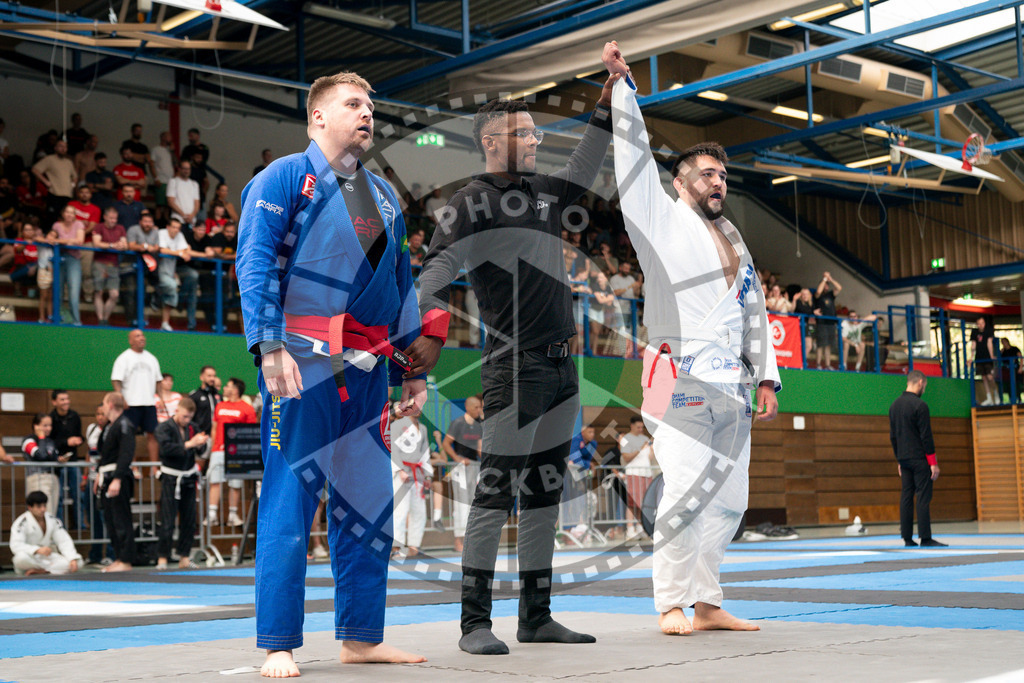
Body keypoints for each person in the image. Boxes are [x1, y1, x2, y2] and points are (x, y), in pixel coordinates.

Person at [404, 44, 621, 656]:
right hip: (514, 366)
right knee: (496, 492)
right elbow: (434, 271)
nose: (533, 137)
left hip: (562, 365)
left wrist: (605, 99)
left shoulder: (547, 192)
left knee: (546, 494)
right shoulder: (469, 204)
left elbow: (586, 160)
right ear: (491, 141)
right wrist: (429, 331)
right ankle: (474, 622)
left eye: (533, 129)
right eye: (522, 132)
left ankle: (536, 615)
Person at [235, 70, 427, 676]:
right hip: (302, 363)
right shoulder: (286, 177)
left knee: (369, 506)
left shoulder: (387, 197)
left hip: (369, 368)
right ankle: (278, 641)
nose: (367, 113)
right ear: (318, 117)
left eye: (370, 104)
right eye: (353, 104)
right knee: (291, 500)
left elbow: (400, 286)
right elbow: (257, 260)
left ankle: (361, 636)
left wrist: (410, 367)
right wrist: (267, 345)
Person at [607, 41, 780, 636]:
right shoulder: (658, 219)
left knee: (730, 497)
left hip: (731, 381)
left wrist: (766, 375)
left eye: (724, 174)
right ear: (679, 181)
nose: (719, 181)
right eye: (708, 172)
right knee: (683, 488)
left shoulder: (735, 243)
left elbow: (753, 309)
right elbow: (632, 162)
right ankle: (670, 603)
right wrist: (625, 95)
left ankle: (708, 600)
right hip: (674, 374)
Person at [889, 370, 946, 548]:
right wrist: (933, 463)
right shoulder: (920, 406)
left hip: (904, 458)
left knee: (906, 495)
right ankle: (925, 538)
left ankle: (907, 538)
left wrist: (899, 459)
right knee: (922, 496)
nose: (924, 389)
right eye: (925, 386)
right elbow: (926, 437)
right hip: (919, 458)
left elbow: (893, 436)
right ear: (920, 382)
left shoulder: (894, 406)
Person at [155, 396, 208, 570]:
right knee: (168, 519)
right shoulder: (164, 427)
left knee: (189, 519)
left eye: (190, 417)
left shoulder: (193, 427)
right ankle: (162, 557)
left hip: (189, 477)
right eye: (184, 416)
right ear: (177, 410)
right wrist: (189, 444)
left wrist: (201, 444)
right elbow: (166, 449)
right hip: (171, 477)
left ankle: (184, 556)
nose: (187, 421)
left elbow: (201, 450)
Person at [96, 392, 137, 572]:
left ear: (111, 404)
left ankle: (126, 560)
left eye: (104, 404)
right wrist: (100, 475)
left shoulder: (125, 425)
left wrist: (118, 479)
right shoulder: (110, 426)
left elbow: (126, 454)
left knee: (121, 519)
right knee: (111, 520)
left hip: (118, 477)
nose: (103, 407)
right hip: (107, 475)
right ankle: (119, 558)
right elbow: (105, 456)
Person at [208, 377, 256, 527]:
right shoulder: (220, 406)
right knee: (215, 481)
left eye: (228, 386)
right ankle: (211, 514)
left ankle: (233, 515)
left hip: (236, 453)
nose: (224, 388)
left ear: (235, 390)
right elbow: (214, 428)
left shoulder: (247, 409)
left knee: (235, 484)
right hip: (218, 450)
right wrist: (213, 448)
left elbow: (250, 433)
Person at [111, 329, 162, 461]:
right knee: (129, 435)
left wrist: (160, 398)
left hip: (149, 403)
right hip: (131, 404)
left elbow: (158, 380)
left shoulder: (152, 358)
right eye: (137, 336)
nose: (142, 338)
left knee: (153, 435)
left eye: (143, 335)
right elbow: (116, 379)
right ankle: (131, 465)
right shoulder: (124, 358)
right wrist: (121, 397)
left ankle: (154, 467)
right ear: (130, 340)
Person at [442, 396, 484, 552]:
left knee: (473, 503)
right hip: (459, 468)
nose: (479, 410)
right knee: (461, 504)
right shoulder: (458, 423)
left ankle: (471, 539)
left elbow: (479, 448)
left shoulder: (479, 426)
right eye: (476, 408)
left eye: (480, 407)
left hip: (474, 467)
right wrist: (457, 458)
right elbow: (446, 444)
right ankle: (458, 540)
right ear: (468, 407)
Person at [391, 410, 433, 560]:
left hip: (418, 473)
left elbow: (425, 452)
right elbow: (393, 449)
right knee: (400, 511)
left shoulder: (422, 428)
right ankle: (397, 547)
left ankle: (414, 546)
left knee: (419, 511)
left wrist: (428, 474)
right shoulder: (397, 425)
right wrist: (400, 469)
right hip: (402, 474)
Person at [10, 491, 83, 575]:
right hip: (30, 558)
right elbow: (16, 545)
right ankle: (50, 570)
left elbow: (63, 540)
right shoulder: (21, 523)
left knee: (78, 562)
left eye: (44, 506)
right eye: (39, 506)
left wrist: (71, 558)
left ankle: (42, 571)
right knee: (20, 558)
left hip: (46, 558)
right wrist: (37, 550)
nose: (43, 509)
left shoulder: (52, 519)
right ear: (30, 507)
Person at [156, 218, 200, 331]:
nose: (176, 230)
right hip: (157, 270)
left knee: (191, 276)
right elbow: (162, 250)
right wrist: (179, 253)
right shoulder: (161, 233)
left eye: (178, 228)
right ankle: (157, 301)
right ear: (168, 227)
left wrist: (183, 251)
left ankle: (166, 319)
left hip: (171, 271)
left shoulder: (179, 235)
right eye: (174, 227)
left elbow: (186, 250)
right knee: (171, 286)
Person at [49, 389, 84, 526]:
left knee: (78, 495)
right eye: (62, 399)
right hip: (57, 462)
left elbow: (79, 435)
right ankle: (59, 525)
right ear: (54, 402)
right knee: (58, 497)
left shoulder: (74, 416)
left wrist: (79, 440)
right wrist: (66, 442)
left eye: (67, 399)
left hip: (73, 461)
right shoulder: (51, 418)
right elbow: (50, 441)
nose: (66, 402)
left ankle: (80, 525)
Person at [84, 403, 114, 565]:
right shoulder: (91, 429)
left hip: (106, 479)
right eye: (98, 414)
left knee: (107, 518)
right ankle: (94, 553)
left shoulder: (112, 430)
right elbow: (88, 454)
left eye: (103, 414)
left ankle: (110, 554)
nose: (100, 417)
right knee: (93, 518)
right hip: (92, 479)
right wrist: (85, 476)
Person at [48, 204, 86, 325]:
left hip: (73, 259)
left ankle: (76, 321)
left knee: (73, 292)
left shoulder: (79, 224)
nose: (69, 215)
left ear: (75, 216)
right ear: (63, 214)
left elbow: (79, 241)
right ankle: (58, 319)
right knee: (57, 291)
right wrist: (67, 242)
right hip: (58, 259)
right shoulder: (56, 225)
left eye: (72, 213)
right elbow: (50, 239)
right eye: (67, 212)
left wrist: (59, 241)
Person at [22, 413, 67, 515]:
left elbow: (53, 457)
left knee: (51, 514)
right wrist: (41, 438)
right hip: (38, 478)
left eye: (50, 425)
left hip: (52, 478)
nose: (49, 428)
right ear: (36, 426)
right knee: (42, 513)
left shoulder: (50, 441)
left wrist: (60, 460)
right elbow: (40, 456)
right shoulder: (29, 440)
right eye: (45, 425)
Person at [91, 206, 127, 325]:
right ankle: (100, 319)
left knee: (114, 294)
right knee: (98, 292)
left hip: (114, 264)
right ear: (105, 217)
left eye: (115, 218)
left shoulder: (120, 228)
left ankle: (105, 319)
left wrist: (122, 246)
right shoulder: (99, 227)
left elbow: (125, 244)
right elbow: (96, 243)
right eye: (111, 218)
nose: (113, 221)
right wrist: (112, 245)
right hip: (99, 263)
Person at [618, 416, 651, 538]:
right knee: (633, 503)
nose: (640, 429)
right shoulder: (626, 439)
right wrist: (639, 449)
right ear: (631, 426)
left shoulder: (645, 438)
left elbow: (649, 457)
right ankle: (630, 528)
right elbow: (626, 457)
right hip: (633, 473)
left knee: (643, 502)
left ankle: (640, 526)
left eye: (642, 427)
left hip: (646, 473)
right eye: (638, 427)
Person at [32, 139, 76, 227]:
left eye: (65, 147)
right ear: (55, 148)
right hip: (54, 194)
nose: (63, 149)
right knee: (51, 219)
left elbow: (75, 176)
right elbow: (35, 169)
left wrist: (73, 184)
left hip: (67, 195)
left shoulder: (69, 162)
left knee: (66, 219)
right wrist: (46, 182)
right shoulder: (49, 159)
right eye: (61, 146)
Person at [814, 271, 842, 369]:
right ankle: (818, 364)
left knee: (828, 345)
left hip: (831, 323)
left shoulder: (830, 294)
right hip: (821, 323)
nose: (826, 286)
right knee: (821, 344)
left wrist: (831, 279)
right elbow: (818, 291)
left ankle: (827, 364)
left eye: (827, 285)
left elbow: (839, 288)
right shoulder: (817, 296)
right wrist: (824, 279)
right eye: (825, 284)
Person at [971, 315, 998, 405]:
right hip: (979, 357)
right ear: (977, 324)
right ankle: (989, 397)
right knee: (984, 377)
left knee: (989, 376)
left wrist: (991, 355)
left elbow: (989, 343)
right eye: (979, 324)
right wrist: (971, 358)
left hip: (987, 357)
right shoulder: (974, 332)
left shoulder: (988, 331)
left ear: (984, 323)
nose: (981, 325)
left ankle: (996, 394)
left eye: (982, 323)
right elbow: (973, 345)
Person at [167, 161, 200, 229]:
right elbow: (170, 202)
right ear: (179, 169)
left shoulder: (194, 184)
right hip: (177, 220)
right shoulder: (173, 181)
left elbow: (197, 203)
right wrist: (183, 215)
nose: (186, 171)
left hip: (192, 221)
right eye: (184, 168)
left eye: (188, 169)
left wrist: (191, 216)